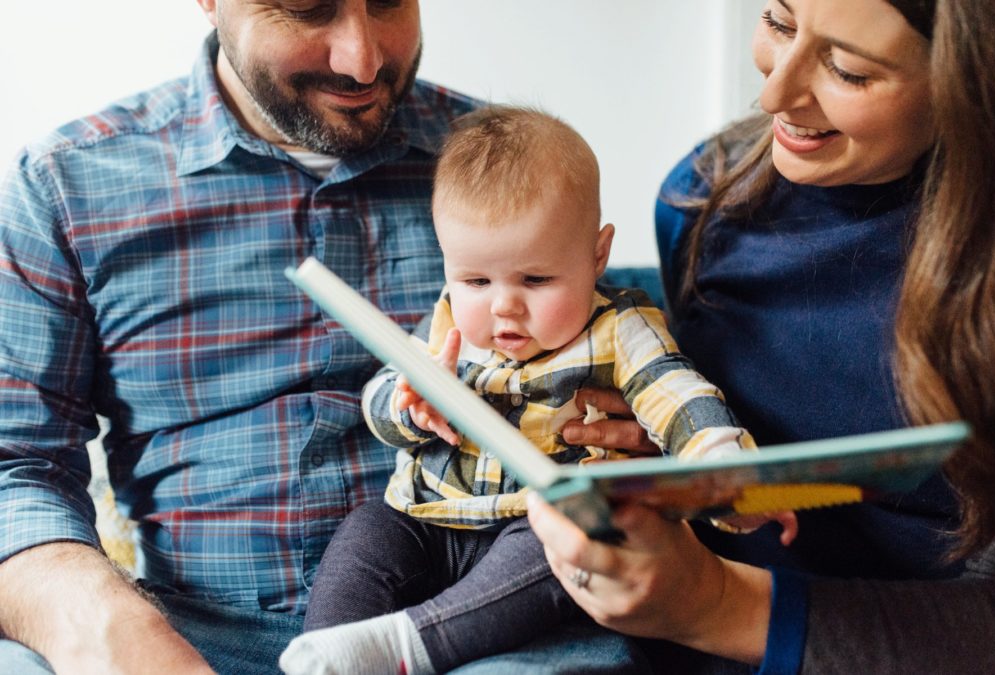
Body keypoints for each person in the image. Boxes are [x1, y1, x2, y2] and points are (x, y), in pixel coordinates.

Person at [0, 4, 642, 674]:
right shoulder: (63, 189)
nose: (361, 61)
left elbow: (635, 369)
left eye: (391, 1)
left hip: (491, 630)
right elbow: (15, 468)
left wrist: (643, 448)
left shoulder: (513, 172)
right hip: (192, 639)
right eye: (308, 8)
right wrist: (113, 629)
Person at [529, 0, 995, 671]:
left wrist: (715, 603)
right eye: (779, 22)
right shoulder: (702, 194)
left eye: (849, 71)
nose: (772, 93)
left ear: (980, 85)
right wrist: (676, 441)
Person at [279, 106, 792, 675]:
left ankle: (410, 646)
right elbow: (378, 396)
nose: (504, 306)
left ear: (597, 255)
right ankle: (329, 650)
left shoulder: (618, 329)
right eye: (476, 280)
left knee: (571, 551)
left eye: (535, 279)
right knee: (366, 531)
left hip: (538, 527)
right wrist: (407, 408)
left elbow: (679, 396)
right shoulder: (449, 322)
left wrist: (729, 477)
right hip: (428, 515)